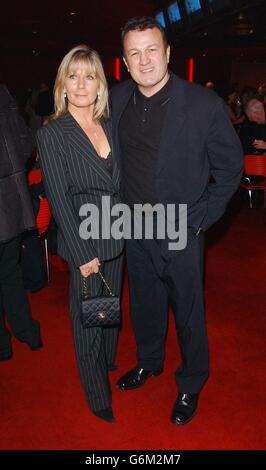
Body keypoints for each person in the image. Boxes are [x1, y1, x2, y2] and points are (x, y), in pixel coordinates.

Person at [110, 17, 243, 425]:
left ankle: (190, 383)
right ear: (125, 62)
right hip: (133, 225)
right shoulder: (115, 100)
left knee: (187, 311)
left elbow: (231, 167)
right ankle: (149, 361)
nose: (144, 59)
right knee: (145, 304)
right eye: (135, 52)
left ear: (168, 54)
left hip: (180, 228)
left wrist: (201, 218)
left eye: (152, 50)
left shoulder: (203, 105)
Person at [36, 45, 124, 423]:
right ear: (63, 85)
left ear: (100, 84)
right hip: (84, 239)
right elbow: (57, 197)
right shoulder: (53, 133)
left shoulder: (110, 124)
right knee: (89, 317)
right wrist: (81, 252)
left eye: (90, 75)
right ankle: (95, 392)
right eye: (74, 76)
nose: (82, 84)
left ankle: (106, 362)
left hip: (118, 235)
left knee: (110, 310)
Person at [0, 84, 43, 361]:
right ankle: (27, 332)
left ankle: (3, 346)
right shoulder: (4, 95)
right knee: (10, 273)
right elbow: (27, 144)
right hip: (11, 205)